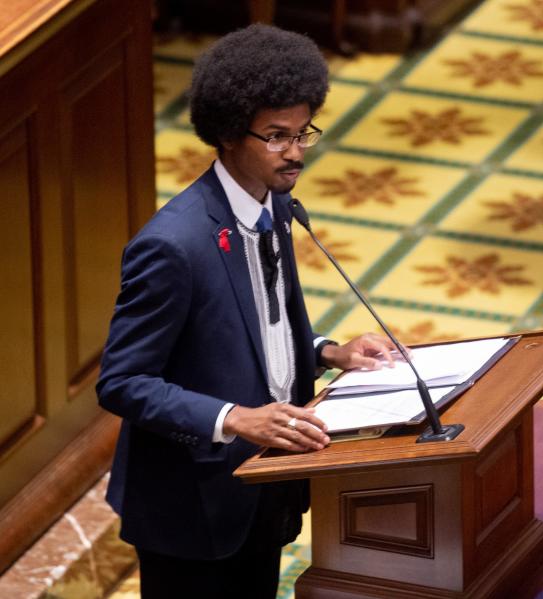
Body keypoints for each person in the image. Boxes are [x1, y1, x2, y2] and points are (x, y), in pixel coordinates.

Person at [97, 24, 396, 598]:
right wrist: (235, 417)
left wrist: (330, 352)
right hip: (193, 506)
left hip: (267, 478)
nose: (296, 153)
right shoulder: (174, 245)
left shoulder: (274, 205)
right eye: (276, 137)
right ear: (231, 135)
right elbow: (122, 382)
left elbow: (261, 327)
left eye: (303, 132)